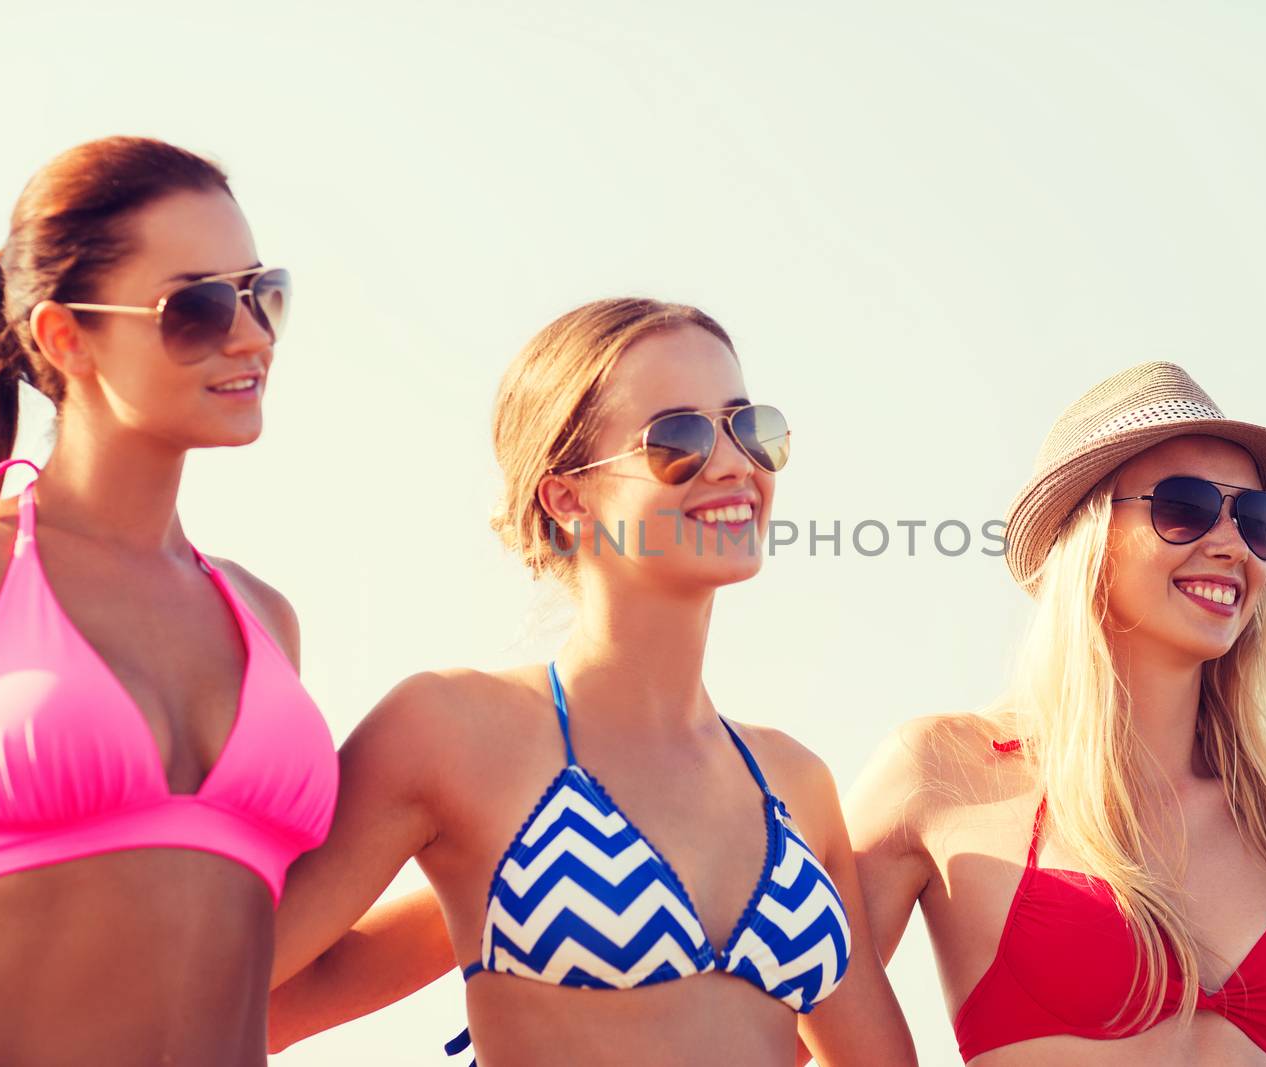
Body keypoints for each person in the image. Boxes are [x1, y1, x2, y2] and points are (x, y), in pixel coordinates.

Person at [267, 298, 914, 1067]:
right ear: (567, 495)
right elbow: (216, 995)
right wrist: (478, 904)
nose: (736, 462)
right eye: (679, 438)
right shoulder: (447, 729)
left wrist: (493, 899)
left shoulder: (797, 781)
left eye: (750, 425)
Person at [847, 362, 1266, 1065]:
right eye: (1186, 506)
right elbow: (778, 1019)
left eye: (1259, 521)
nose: (1233, 545)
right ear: (1087, 535)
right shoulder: (941, 770)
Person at [0, 136, 337, 1067]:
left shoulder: (266, 616)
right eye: (199, 307)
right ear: (65, 336)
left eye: (263, 295)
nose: (251, 334)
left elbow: (276, 966)